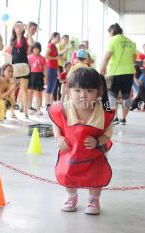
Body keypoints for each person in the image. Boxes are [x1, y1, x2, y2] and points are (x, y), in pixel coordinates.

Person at [48, 67, 114, 215]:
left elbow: (108, 134)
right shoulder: (63, 109)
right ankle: (71, 196)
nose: (83, 95)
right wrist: (58, 137)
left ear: (98, 92)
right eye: (77, 91)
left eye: (89, 91)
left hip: (95, 153)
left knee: (96, 174)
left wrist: (98, 141)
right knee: (68, 173)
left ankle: (93, 199)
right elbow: (56, 123)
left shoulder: (104, 113)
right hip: (71, 151)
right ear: (69, 90)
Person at [100, 23, 136, 125]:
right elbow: (134, 58)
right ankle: (123, 119)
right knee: (126, 96)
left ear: (112, 31)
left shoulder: (112, 40)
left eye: (109, 33)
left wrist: (101, 70)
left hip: (114, 73)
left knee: (111, 95)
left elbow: (107, 56)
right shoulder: (130, 42)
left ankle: (114, 118)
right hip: (129, 73)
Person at [9, 21, 34, 119]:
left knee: (24, 89)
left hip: (24, 66)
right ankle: (11, 111)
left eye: (20, 26)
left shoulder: (26, 39)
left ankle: (25, 112)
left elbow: (32, 43)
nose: (19, 28)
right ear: (14, 28)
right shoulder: (12, 41)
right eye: (17, 26)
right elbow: (5, 51)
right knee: (12, 88)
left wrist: (28, 29)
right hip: (14, 66)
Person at [28, 42, 47, 115]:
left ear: (40, 50)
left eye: (37, 49)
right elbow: (27, 68)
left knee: (38, 93)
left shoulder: (42, 58)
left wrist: (46, 78)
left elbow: (45, 69)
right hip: (31, 76)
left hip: (39, 76)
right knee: (30, 93)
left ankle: (38, 109)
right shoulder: (29, 57)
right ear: (32, 49)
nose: (36, 51)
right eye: (34, 49)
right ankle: (29, 108)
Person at [45, 32, 60, 108]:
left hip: (54, 68)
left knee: (53, 86)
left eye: (59, 37)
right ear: (53, 38)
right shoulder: (50, 45)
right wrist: (55, 58)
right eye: (58, 37)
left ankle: (50, 103)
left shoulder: (55, 47)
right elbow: (46, 56)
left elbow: (56, 59)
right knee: (50, 86)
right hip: (50, 68)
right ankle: (47, 104)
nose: (59, 39)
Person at [53, 35, 69, 101]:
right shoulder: (59, 46)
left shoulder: (66, 48)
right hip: (57, 66)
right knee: (56, 84)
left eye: (67, 39)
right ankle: (54, 100)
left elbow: (65, 58)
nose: (66, 41)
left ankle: (59, 100)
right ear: (62, 39)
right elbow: (58, 55)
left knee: (61, 84)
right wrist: (64, 51)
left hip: (63, 67)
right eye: (65, 39)